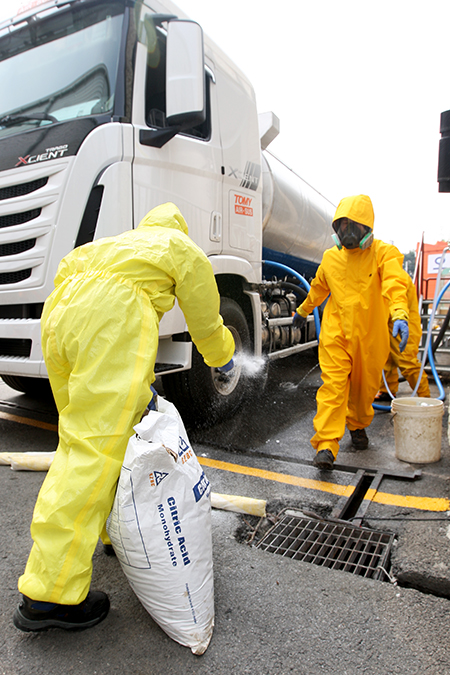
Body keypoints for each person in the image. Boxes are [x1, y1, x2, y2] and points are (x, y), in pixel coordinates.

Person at [14, 202, 235, 632]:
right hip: (111, 320)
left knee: (91, 441)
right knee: (93, 452)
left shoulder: (116, 244)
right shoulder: (179, 245)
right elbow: (206, 320)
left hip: (60, 317)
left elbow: (64, 275)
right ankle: (49, 594)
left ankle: (111, 531)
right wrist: (223, 356)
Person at [293, 194, 409, 470]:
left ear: (367, 228)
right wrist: (303, 310)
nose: (348, 233)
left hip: (371, 337)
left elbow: (395, 284)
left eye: (354, 226)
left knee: (363, 390)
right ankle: (326, 445)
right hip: (336, 335)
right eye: (343, 226)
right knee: (332, 388)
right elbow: (319, 288)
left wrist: (400, 314)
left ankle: (357, 426)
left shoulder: (383, 254)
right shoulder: (331, 258)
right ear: (336, 228)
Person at [374, 272, 430, 401]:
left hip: (402, 323)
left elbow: (395, 299)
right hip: (390, 322)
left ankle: (426, 398)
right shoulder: (383, 272)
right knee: (386, 359)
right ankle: (387, 390)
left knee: (407, 362)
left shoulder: (395, 275)